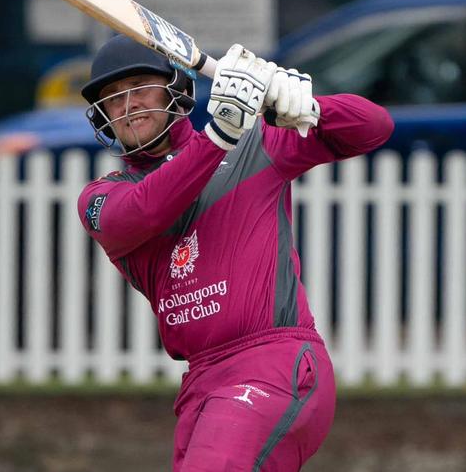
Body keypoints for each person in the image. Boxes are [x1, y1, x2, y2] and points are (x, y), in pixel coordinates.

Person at [77, 34, 394, 471]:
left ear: (177, 89)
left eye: (139, 86)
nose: (128, 105)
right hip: (202, 383)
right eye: (113, 98)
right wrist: (220, 134)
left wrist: (306, 106)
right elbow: (142, 214)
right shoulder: (105, 196)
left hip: (274, 362)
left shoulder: (256, 144)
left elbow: (374, 127)